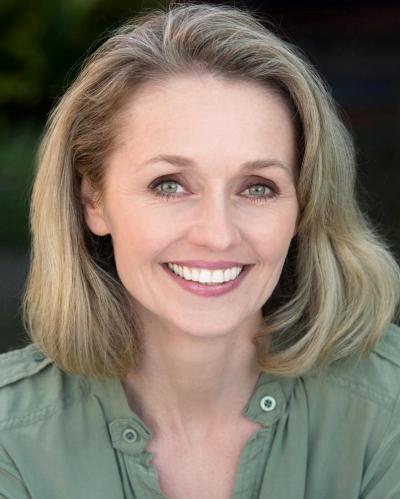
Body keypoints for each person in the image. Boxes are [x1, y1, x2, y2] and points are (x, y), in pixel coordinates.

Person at [1, 2, 399, 498]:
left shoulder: (389, 408)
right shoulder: (10, 436)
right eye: (169, 185)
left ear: (304, 206)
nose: (218, 234)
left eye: (258, 187)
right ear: (93, 202)